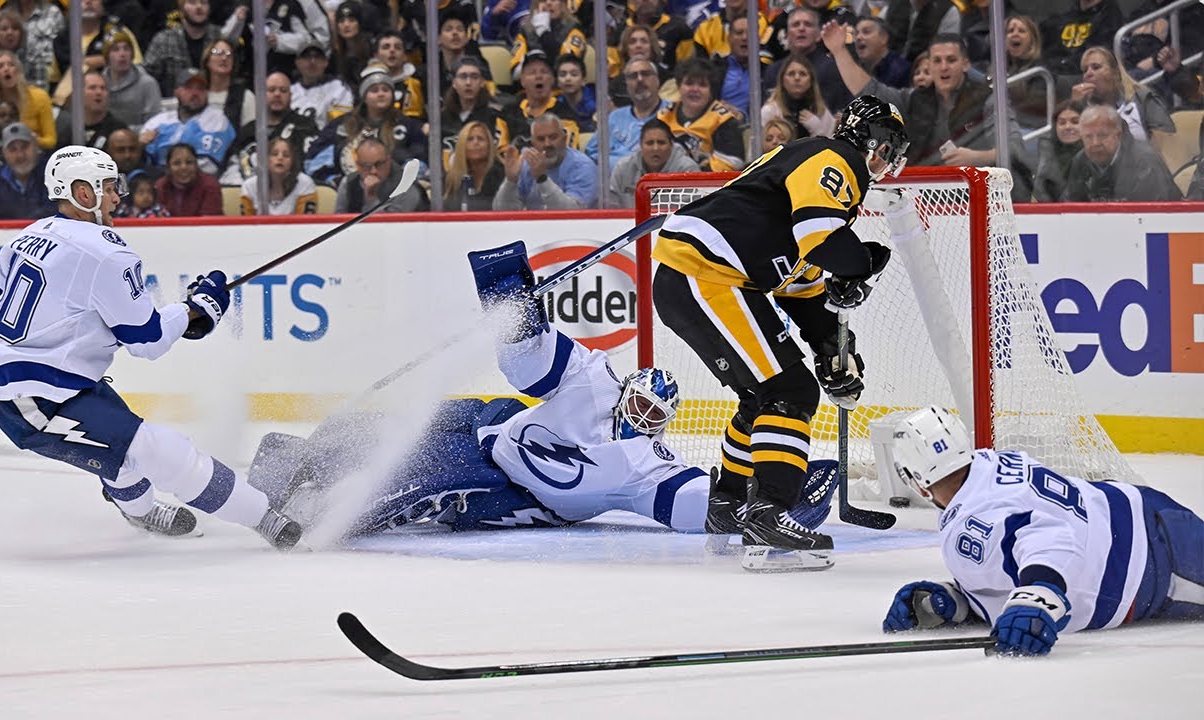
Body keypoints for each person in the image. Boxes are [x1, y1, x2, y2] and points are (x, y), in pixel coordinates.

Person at [245, 241, 840, 541]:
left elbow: (707, 509)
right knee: (388, 426)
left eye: (651, 414)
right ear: (628, 388)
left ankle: (318, 519)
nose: (639, 414)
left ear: (661, 425)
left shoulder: (645, 468)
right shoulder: (597, 376)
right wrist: (518, 311)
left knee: (406, 477)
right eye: (638, 399)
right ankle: (281, 465)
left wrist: (775, 495)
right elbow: (532, 368)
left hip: (508, 488)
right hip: (500, 423)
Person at [0, 145, 302, 550]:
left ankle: (140, 512)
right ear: (82, 194)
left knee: (122, 449)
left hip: (58, 386)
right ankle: (269, 521)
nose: (117, 196)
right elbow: (149, 340)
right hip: (43, 400)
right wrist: (197, 309)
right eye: (108, 186)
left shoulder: (28, 236)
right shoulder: (106, 252)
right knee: (159, 451)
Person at [649, 95, 911, 572]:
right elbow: (823, 241)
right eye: (887, 147)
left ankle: (728, 505)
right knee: (789, 390)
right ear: (866, 138)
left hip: (701, 279)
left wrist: (835, 351)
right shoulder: (837, 160)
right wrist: (862, 261)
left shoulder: (825, 182)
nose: (886, 160)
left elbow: (804, 292)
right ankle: (769, 511)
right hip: (706, 276)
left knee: (763, 396)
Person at [880, 406, 1203, 656]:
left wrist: (1039, 597)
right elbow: (1005, 554)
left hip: (1156, 569)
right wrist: (954, 600)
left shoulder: (970, 520)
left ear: (916, 480)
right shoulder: (994, 462)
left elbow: (1047, 537)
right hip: (1142, 508)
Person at [824, 29, 1025, 173]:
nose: (944, 67)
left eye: (951, 60)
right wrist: (839, 51)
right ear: (929, 65)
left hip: (975, 194)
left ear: (965, 64)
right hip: (924, 195)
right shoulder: (914, 99)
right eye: (937, 61)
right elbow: (870, 90)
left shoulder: (987, 99)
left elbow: (1015, 148)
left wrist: (978, 157)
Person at [306, 68, 427, 187]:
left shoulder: (407, 125)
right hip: (346, 190)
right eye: (374, 90)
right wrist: (334, 180)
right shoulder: (342, 125)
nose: (381, 94)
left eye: (385, 90)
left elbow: (421, 159)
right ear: (364, 97)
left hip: (394, 190)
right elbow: (314, 161)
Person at [1061, 104, 1181, 202]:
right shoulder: (1081, 160)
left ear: (1118, 135)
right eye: (1088, 137)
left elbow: (1152, 214)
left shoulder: (1144, 161)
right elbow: (1069, 206)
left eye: (1102, 135)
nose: (1095, 143)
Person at [221, 71, 319, 186]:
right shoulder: (248, 131)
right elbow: (232, 165)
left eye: (283, 90)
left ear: (290, 96)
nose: (277, 94)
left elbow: (313, 165)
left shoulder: (305, 126)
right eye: (272, 90)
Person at [1071, 46, 1176, 145]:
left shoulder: (1141, 97)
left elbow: (1167, 139)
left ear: (1115, 72)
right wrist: (1075, 107)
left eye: (1096, 67)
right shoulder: (1082, 108)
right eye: (1085, 70)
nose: (1088, 73)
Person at [140, 68, 236, 175]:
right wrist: (140, 145)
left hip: (198, 183)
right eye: (188, 88)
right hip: (158, 181)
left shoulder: (217, 121)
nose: (195, 93)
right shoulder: (157, 122)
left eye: (200, 88)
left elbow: (209, 167)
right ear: (176, 91)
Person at [494, 112, 598, 210]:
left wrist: (542, 179)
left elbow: (572, 214)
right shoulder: (525, 164)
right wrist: (510, 181)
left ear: (564, 139)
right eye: (540, 139)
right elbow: (502, 212)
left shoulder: (583, 167)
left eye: (553, 137)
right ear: (532, 143)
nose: (547, 144)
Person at [657, 58, 745, 172]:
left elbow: (733, 162)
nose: (695, 89)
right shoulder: (663, 117)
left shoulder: (724, 120)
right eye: (689, 83)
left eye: (702, 85)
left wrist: (694, 175)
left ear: (711, 90)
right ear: (679, 86)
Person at [586, 58, 669, 164]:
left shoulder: (671, 112)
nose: (639, 79)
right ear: (627, 86)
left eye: (645, 74)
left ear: (657, 81)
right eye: (633, 76)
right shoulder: (614, 117)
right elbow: (591, 153)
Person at [608, 119, 699, 208]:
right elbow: (612, 209)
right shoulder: (623, 168)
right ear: (640, 145)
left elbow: (692, 212)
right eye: (649, 143)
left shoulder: (688, 170)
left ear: (671, 145)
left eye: (661, 143)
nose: (655, 148)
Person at [439, 57, 510, 169]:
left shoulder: (495, 118)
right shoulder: (441, 119)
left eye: (474, 77)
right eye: (463, 77)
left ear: (482, 82)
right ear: (454, 83)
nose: (468, 82)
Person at [502, 49, 582, 150]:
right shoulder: (508, 112)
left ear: (552, 79)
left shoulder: (566, 114)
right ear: (522, 80)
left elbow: (569, 154)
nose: (538, 76)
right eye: (532, 72)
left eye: (544, 72)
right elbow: (499, 150)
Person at [0, 122, 54, 220]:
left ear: (35, 146)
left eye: (25, 147)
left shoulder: (51, 174)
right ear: (4, 153)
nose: (20, 155)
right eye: (13, 149)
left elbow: (55, 211)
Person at [0, 50, 55, 151]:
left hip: (36, 154)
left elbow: (51, 141)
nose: (6, 69)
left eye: (11, 65)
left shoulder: (40, 97)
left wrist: (34, 140)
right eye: (0, 66)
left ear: (18, 71)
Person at [144, 0, 221, 97]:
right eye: (192, 2)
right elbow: (146, 78)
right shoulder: (163, 39)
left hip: (214, 103)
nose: (199, 7)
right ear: (181, 9)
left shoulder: (220, 38)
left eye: (203, 2)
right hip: (173, 105)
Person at [334, 136, 428, 213]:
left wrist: (371, 198)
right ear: (358, 165)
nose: (373, 171)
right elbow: (338, 222)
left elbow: (390, 228)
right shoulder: (348, 183)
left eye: (379, 164)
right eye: (366, 166)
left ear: (389, 160)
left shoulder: (405, 186)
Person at [1040, 0, 1124, 78]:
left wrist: (1063, 64)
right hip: (1056, 74)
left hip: (1085, 75)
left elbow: (1099, 54)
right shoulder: (1064, 18)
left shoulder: (1110, 14)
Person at [759, 56, 836, 139]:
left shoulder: (821, 111)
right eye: (791, 74)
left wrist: (818, 130)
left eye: (803, 74)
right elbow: (756, 147)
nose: (797, 78)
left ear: (811, 81)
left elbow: (831, 146)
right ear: (782, 81)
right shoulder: (769, 111)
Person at [509, 0, 586, 79]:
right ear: (535, 5)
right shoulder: (526, 30)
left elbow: (566, 67)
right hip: (531, 87)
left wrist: (543, 33)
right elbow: (515, 72)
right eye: (543, 0)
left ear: (563, 3)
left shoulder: (573, 28)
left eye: (553, 0)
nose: (549, 3)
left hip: (561, 88)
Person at [240, 136, 319, 215]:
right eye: (274, 154)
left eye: (286, 155)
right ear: (265, 159)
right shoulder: (249, 186)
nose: (280, 158)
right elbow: (246, 224)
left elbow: (306, 223)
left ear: (292, 161)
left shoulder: (305, 184)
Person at [102, 29, 163, 130]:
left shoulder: (147, 83)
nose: (122, 54)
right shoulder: (100, 83)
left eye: (126, 49)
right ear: (107, 56)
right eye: (116, 49)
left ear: (132, 54)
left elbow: (153, 123)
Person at [53, 70, 127, 151]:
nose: (99, 92)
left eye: (103, 88)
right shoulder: (66, 129)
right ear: (78, 93)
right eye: (92, 88)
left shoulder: (117, 130)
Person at [291, 42, 355, 130]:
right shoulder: (289, 91)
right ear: (297, 63)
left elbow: (340, 126)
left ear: (326, 62)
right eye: (306, 57)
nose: (312, 61)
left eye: (317, 57)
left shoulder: (338, 88)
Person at [443, 120, 505, 211]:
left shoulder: (501, 175)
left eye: (481, 139)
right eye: (470, 139)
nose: (476, 143)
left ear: (490, 145)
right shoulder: (451, 179)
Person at [1032, 100, 1084, 203]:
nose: (1068, 127)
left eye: (1075, 122)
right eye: (1062, 123)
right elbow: (1040, 192)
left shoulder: (1097, 154)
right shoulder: (1047, 151)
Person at [155, 142, 224, 216]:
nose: (184, 167)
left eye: (189, 162)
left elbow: (208, 223)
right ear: (169, 167)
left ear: (196, 164)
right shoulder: (161, 186)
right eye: (177, 163)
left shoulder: (210, 185)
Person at [883, 0, 960, 63]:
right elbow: (878, 34)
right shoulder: (894, 4)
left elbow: (944, 51)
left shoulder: (948, 10)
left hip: (922, 71)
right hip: (887, 66)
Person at [369, 31, 424, 118]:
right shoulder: (368, 83)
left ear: (405, 56)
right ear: (376, 55)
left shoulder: (418, 81)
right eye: (386, 47)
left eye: (397, 47)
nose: (392, 50)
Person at [853, 16, 910, 89]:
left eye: (866, 32)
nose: (858, 37)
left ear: (884, 38)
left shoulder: (902, 71)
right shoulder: (854, 69)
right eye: (856, 33)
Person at [554, 55, 595, 133]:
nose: (568, 78)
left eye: (574, 74)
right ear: (558, 82)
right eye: (563, 75)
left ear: (583, 80)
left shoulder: (597, 98)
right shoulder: (555, 104)